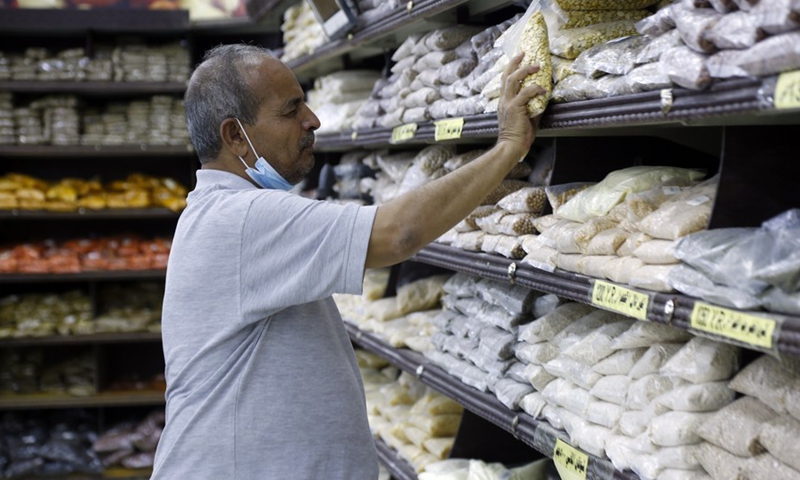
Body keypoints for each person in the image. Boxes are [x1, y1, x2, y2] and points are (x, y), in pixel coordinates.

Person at [151, 43, 544, 479]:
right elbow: (399, 233)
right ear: (234, 135)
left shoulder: (227, 212)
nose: (313, 120)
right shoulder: (242, 218)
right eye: (291, 109)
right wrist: (508, 146)